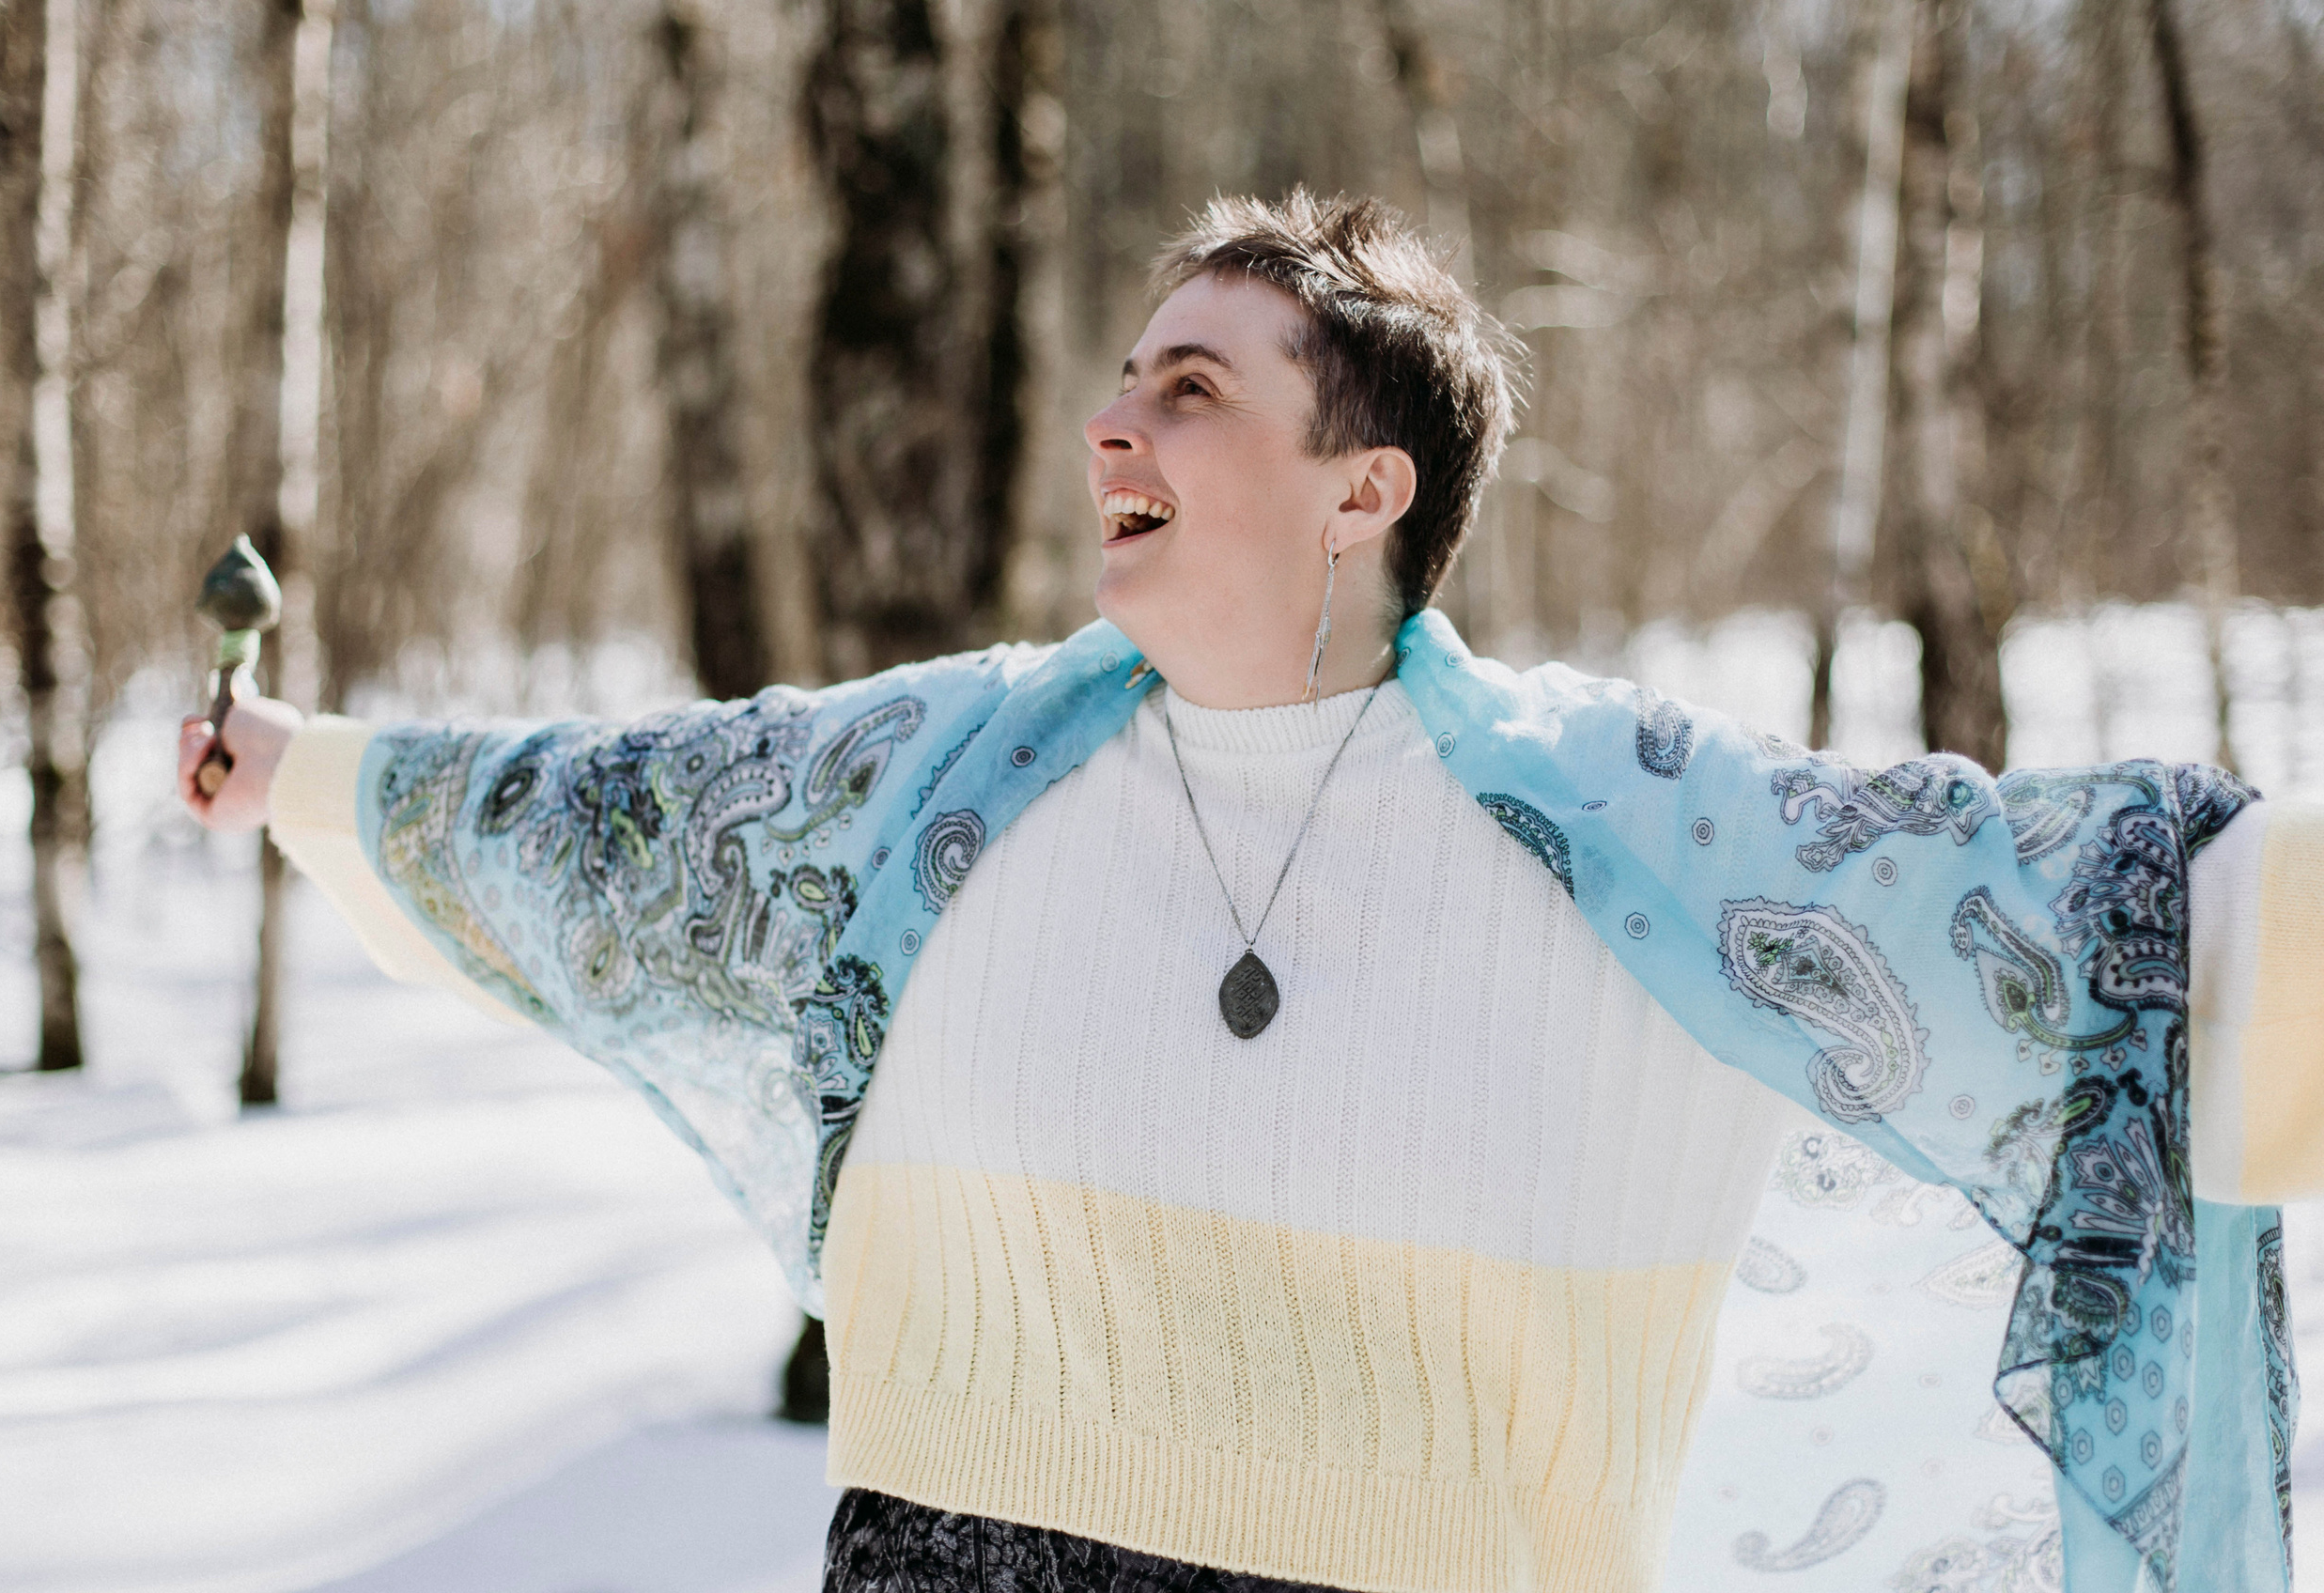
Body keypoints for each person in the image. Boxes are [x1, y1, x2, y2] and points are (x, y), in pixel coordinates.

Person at [181, 191, 2320, 1593]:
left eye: (1185, 390)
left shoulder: (1640, 830)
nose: (1110, 426)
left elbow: (2091, 923)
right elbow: (611, 817)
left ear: (1359, 492)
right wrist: (298, 768)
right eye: (1120, 383)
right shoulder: (932, 781)